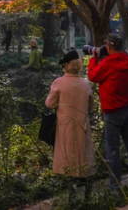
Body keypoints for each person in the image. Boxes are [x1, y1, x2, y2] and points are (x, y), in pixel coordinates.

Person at [87, 31, 128, 190]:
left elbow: (93, 76)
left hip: (111, 112)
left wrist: (94, 59)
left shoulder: (107, 64)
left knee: (113, 150)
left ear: (109, 46)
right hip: (127, 109)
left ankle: (115, 186)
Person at [44, 50, 95, 180]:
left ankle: (67, 179)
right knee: (82, 151)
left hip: (64, 124)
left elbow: (49, 104)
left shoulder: (59, 82)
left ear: (66, 66)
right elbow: (90, 106)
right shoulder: (86, 83)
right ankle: (83, 178)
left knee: (65, 151)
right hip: (82, 124)